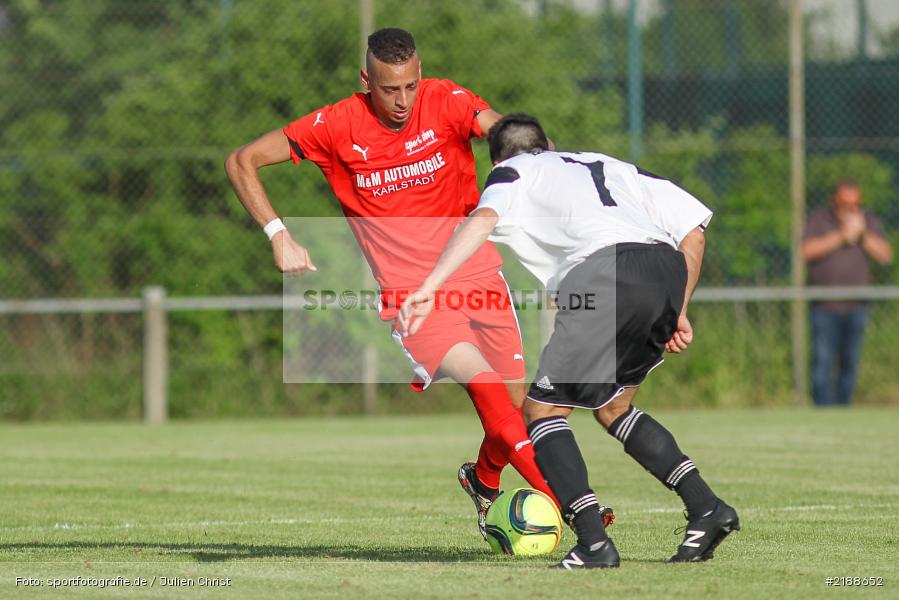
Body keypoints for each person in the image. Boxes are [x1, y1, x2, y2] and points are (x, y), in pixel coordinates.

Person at [224, 29, 613, 539]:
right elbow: (241, 160)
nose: (403, 100)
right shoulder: (333, 125)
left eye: (411, 85)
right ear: (367, 80)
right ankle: (577, 509)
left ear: (420, 73)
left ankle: (483, 479)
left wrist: (536, 159)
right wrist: (279, 234)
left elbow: (510, 138)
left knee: (517, 415)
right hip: (413, 298)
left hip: (481, 278)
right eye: (389, 90)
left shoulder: (447, 99)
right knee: (492, 397)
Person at [400, 114, 740, 568]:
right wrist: (678, 307)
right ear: (551, 143)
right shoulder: (609, 164)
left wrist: (429, 287)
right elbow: (693, 232)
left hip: (604, 275)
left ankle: (594, 542)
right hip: (662, 268)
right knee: (614, 406)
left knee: (541, 411)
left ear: (497, 159)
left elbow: (483, 219)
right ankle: (707, 508)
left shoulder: (512, 171)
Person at [801, 179, 892, 407]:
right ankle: (822, 410)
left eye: (855, 204)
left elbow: (885, 256)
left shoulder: (867, 220)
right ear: (834, 200)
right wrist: (841, 236)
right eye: (845, 203)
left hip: (857, 305)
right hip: (824, 305)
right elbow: (806, 251)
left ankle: (844, 408)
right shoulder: (820, 219)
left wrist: (861, 235)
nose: (850, 209)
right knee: (823, 362)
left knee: (850, 363)